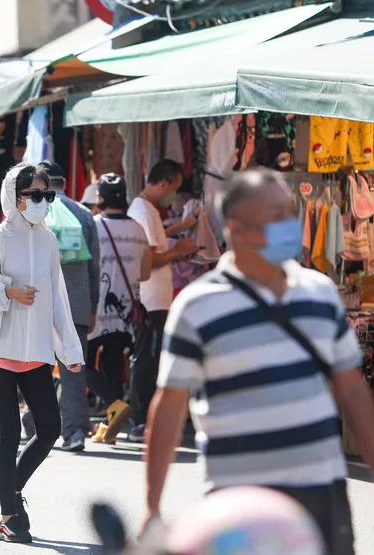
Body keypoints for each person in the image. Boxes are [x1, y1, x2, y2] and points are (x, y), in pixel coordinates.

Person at [143, 170, 374, 554]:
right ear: (238, 229)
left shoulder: (319, 293)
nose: (291, 224)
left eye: (290, 212)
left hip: (322, 493)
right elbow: (168, 408)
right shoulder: (197, 306)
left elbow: (352, 391)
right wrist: (152, 508)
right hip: (238, 506)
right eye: (277, 215)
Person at [0, 163, 84, 544]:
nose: (43, 202)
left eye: (48, 195)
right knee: (9, 432)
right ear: (14, 196)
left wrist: (69, 349)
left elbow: (59, 300)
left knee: (49, 429)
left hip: (36, 353)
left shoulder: (48, 240)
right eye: (36, 195)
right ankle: (8, 516)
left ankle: (7, 487)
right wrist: (6, 293)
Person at [28, 159, 98, 453]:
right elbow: (95, 264)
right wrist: (92, 305)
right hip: (77, 303)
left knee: (34, 367)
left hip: (38, 303)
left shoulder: (33, 212)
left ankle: (33, 427)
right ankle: (75, 432)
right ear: (65, 184)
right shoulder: (83, 214)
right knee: (73, 369)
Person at [126, 159, 197, 441]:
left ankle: (144, 418)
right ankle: (139, 420)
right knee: (147, 359)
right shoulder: (143, 211)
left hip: (156, 301)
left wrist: (176, 231)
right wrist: (178, 251)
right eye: (175, 190)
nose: (174, 196)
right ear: (164, 184)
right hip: (150, 301)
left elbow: (154, 243)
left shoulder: (148, 210)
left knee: (150, 358)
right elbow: (151, 258)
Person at [88, 174, 151, 445]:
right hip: (126, 311)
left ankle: (114, 404)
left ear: (100, 198)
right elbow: (146, 273)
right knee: (114, 364)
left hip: (93, 310)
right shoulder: (138, 229)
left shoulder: (92, 227)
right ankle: (109, 424)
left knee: (79, 363)